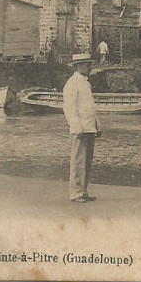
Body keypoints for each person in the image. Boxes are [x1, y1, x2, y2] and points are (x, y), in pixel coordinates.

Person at [63, 53, 101, 203]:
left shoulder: (85, 83)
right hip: (80, 128)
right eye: (86, 64)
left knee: (86, 161)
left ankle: (84, 191)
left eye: (89, 64)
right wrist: (76, 127)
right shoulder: (72, 83)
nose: (89, 67)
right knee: (78, 160)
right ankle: (76, 193)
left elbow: (90, 107)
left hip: (89, 126)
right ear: (78, 66)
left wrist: (97, 124)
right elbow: (69, 108)